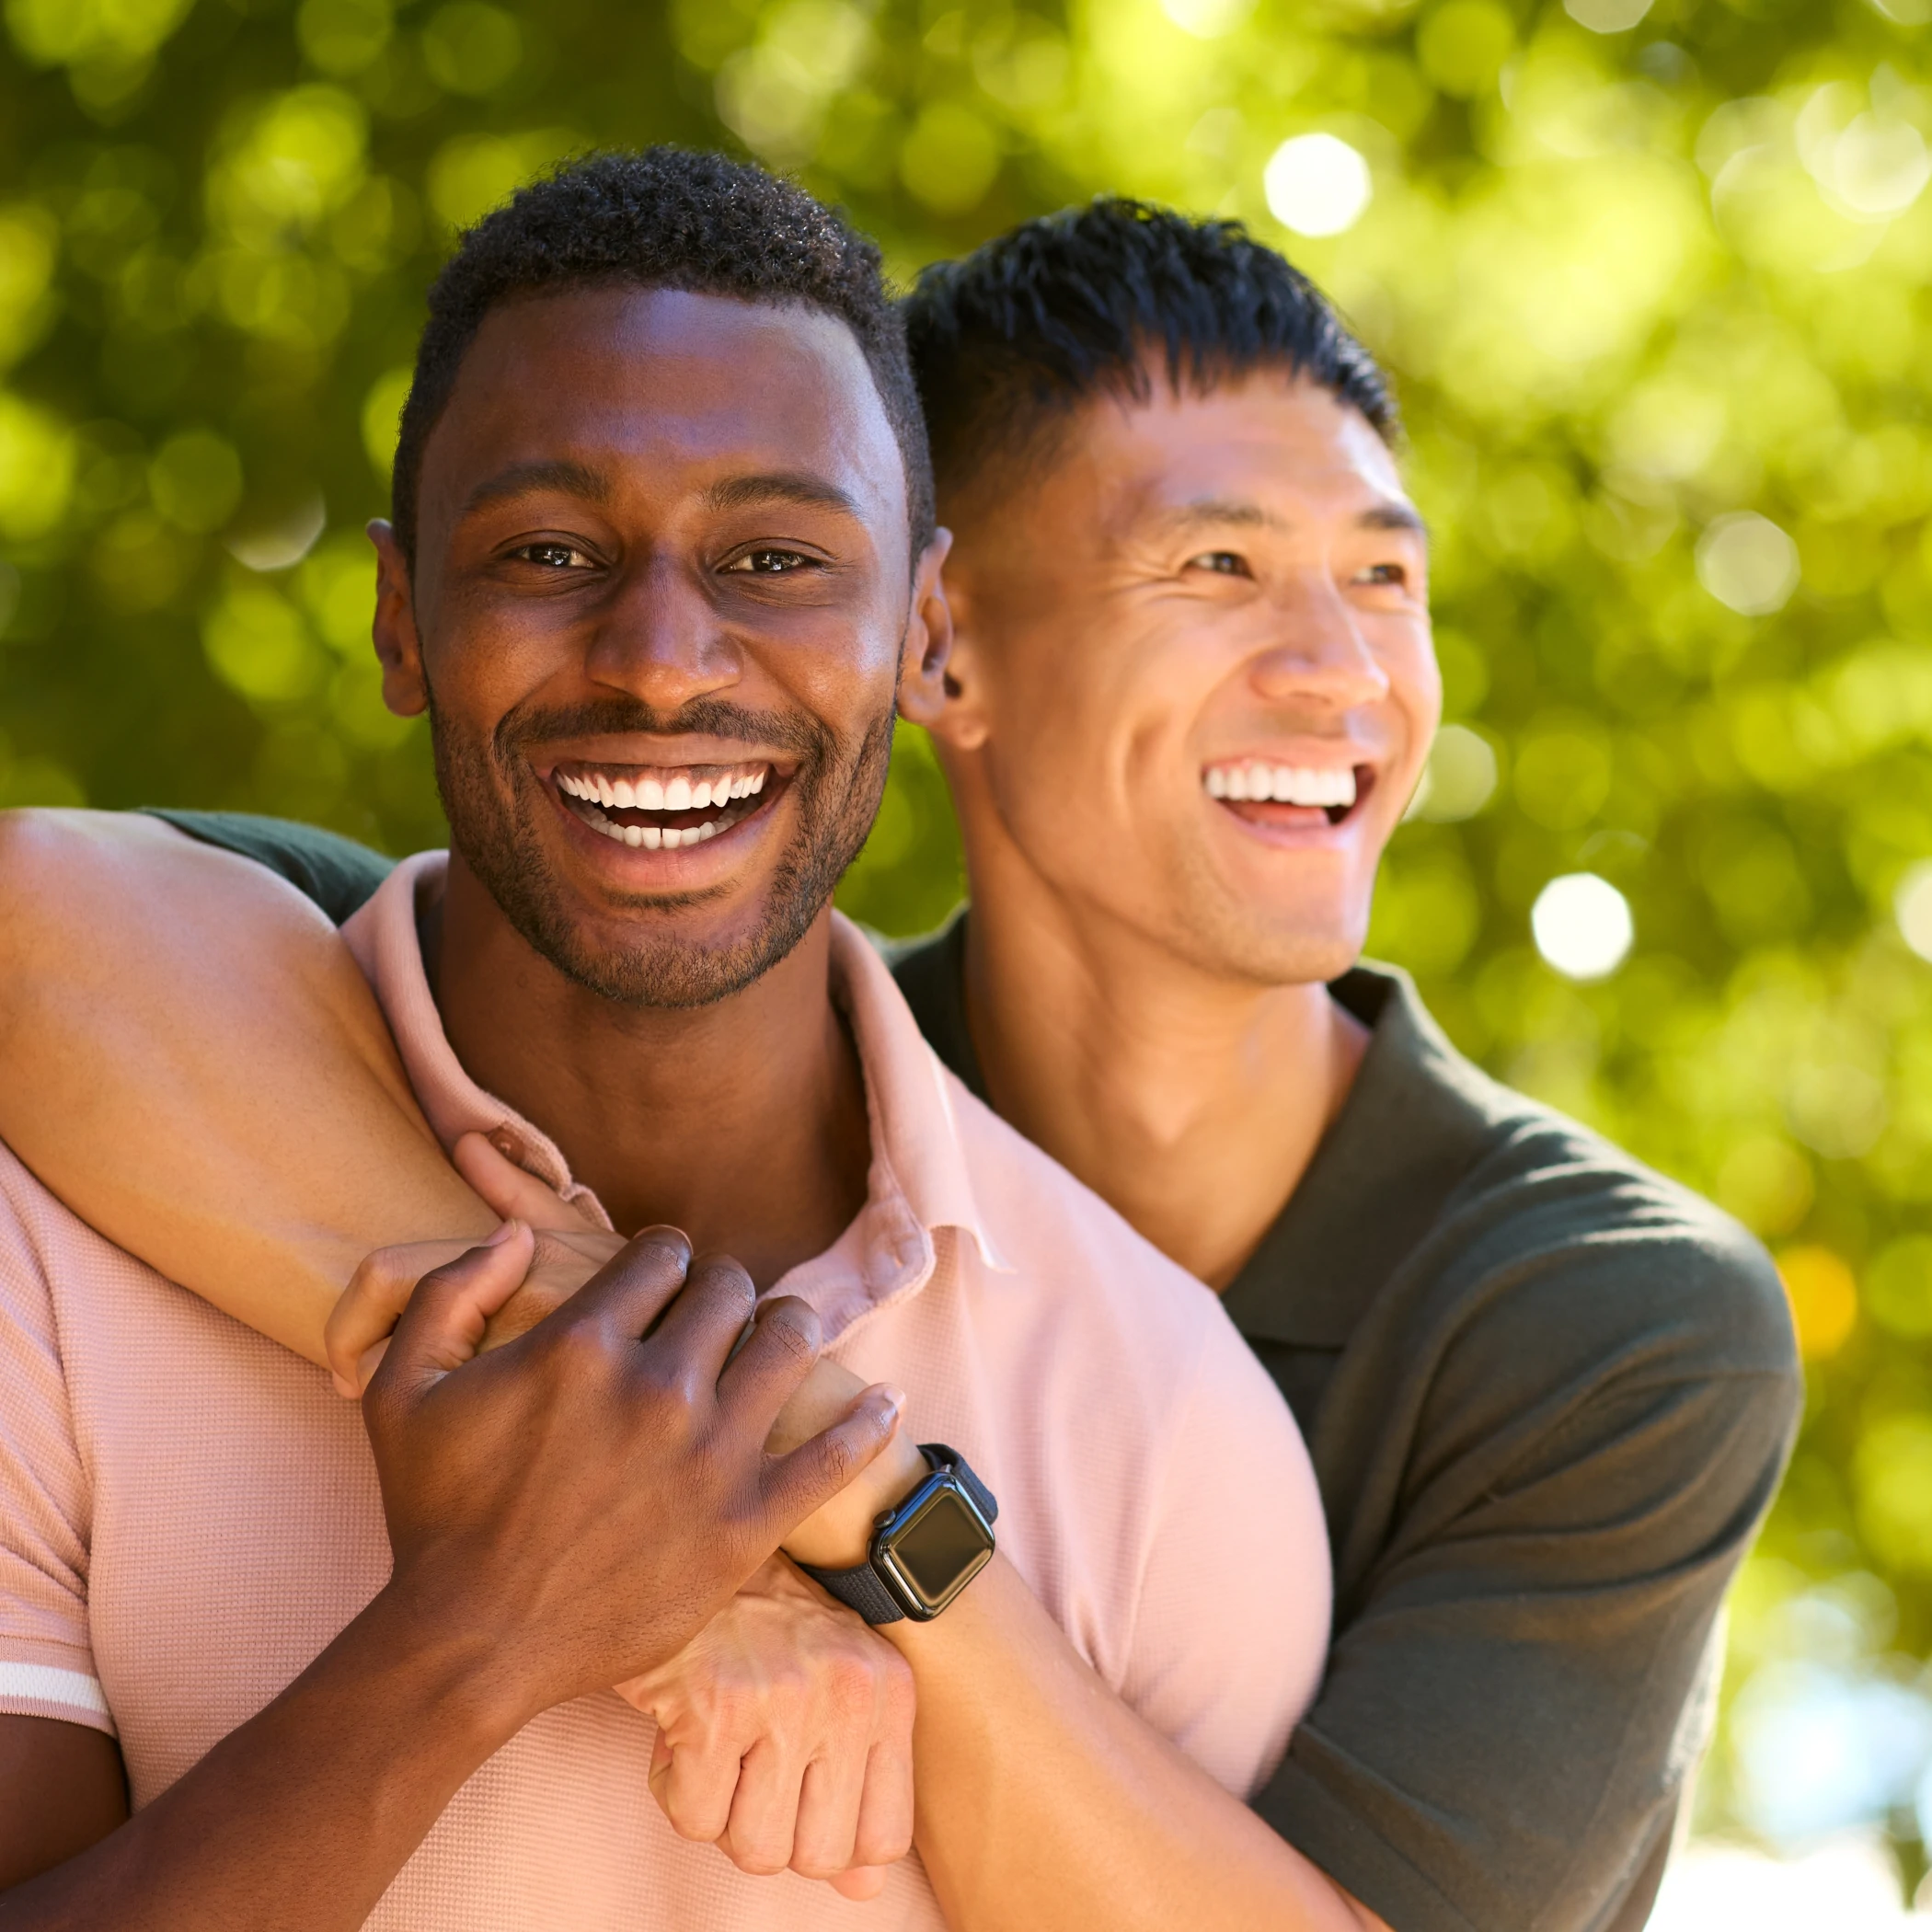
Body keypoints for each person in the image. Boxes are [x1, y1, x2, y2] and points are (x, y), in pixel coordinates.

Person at [0, 193, 1800, 1931]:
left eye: (1384, 578)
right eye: (1219, 564)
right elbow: (68, 933)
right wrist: (635, 1477)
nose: (1340, 672)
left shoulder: (1571, 1325)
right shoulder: (662, 966)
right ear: (945, 646)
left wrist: (828, 1505)